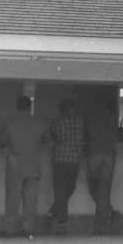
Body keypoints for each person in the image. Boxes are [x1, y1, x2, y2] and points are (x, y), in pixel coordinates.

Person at [0, 96, 48, 239]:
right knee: (31, 200)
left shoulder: (9, 122)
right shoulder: (39, 122)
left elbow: (0, 142)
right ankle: (29, 230)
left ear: (17, 106)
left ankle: (10, 230)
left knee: (13, 198)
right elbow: (46, 141)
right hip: (34, 165)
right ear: (29, 106)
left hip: (15, 165)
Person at [45, 99, 87, 236]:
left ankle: (58, 219)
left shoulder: (56, 122)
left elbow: (50, 138)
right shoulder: (80, 122)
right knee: (69, 189)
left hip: (59, 159)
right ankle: (56, 215)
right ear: (72, 108)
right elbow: (85, 138)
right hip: (74, 160)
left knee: (60, 192)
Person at [85, 99, 119, 234]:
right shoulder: (112, 118)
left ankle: (103, 221)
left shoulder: (90, 118)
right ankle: (103, 221)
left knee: (94, 188)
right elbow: (119, 134)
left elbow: (86, 135)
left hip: (94, 155)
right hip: (109, 156)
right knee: (104, 191)